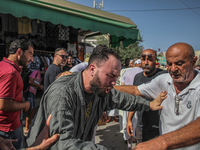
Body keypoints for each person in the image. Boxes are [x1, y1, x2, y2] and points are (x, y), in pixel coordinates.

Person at [27, 45, 166, 149]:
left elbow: (123, 99)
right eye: (110, 76)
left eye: (116, 78)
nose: (113, 83)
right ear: (92, 69)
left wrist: (149, 104)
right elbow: (63, 143)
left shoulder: (100, 88)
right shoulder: (63, 94)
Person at [115, 42, 200, 150]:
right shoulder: (164, 80)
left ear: (193, 62)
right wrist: (106, 88)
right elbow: (135, 90)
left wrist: (161, 142)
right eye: (169, 64)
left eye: (179, 63)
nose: (173, 69)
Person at [127, 50, 167, 145]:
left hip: (160, 127)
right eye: (143, 59)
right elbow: (134, 100)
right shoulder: (137, 77)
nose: (146, 62)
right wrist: (129, 120)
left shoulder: (164, 76)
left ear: (156, 60)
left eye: (149, 59)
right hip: (142, 126)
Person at [0, 39, 32, 149]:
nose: (32, 59)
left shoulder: (3, 65)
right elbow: (4, 104)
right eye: (30, 54)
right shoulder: (11, 72)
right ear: (19, 52)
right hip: (9, 128)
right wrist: (25, 105)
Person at [121, 58, 143, 149]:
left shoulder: (126, 72)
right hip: (140, 101)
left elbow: (122, 86)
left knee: (127, 122)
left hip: (128, 101)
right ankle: (138, 143)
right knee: (138, 123)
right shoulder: (143, 72)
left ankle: (129, 143)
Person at [24, 70, 44, 134]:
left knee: (33, 110)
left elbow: (36, 86)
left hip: (34, 93)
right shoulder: (36, 72)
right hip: (29, 92)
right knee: (31, 110)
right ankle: (27, 127)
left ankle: (29, 126)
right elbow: (30, 81)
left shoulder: (40, 78)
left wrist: (39, 87)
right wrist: (39, 86)